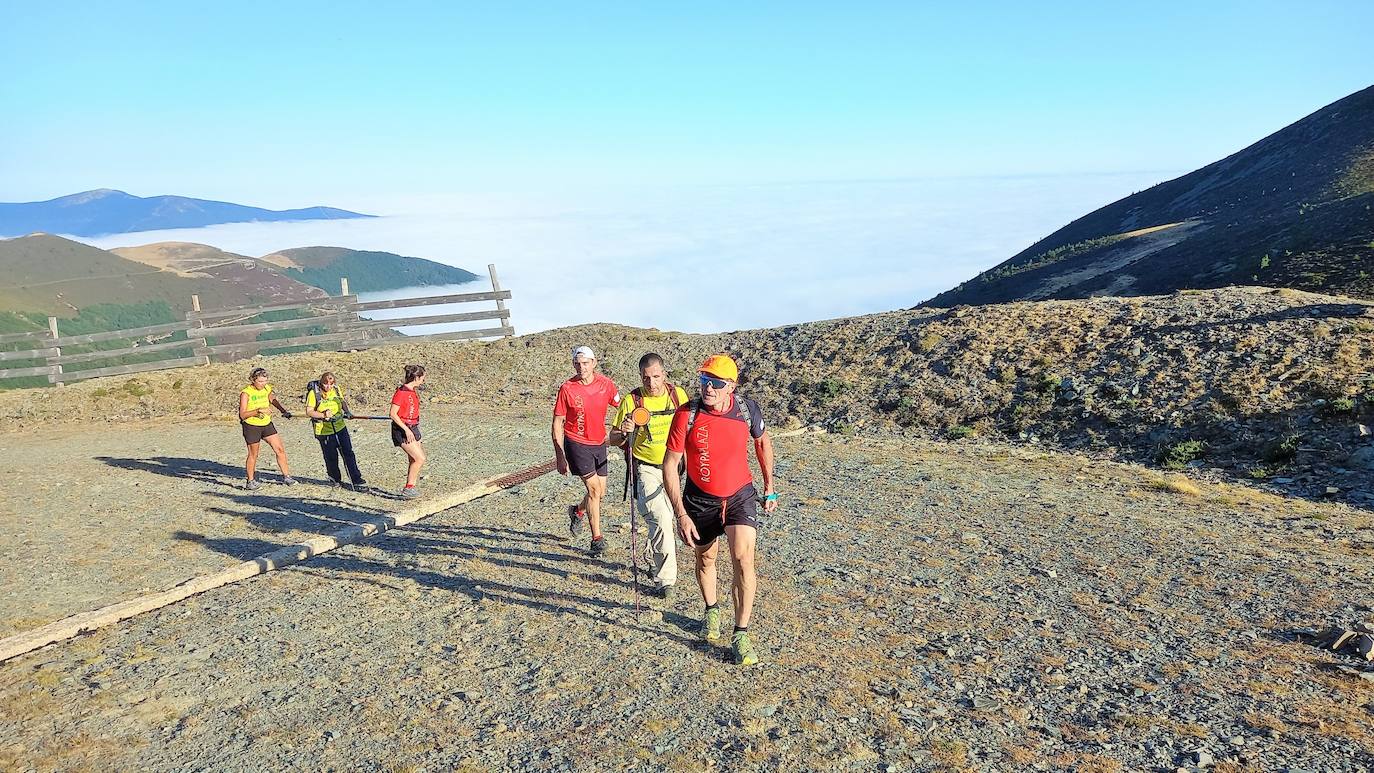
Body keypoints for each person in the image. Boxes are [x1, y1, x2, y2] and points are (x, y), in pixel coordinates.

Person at [663, 354, 777, 666]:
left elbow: (763, 443)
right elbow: (670, 465)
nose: (707, 388)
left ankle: (741, 633)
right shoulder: (687, 414)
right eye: (703, 381)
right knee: (706, 558)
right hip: (699, 500)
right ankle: (711, 610)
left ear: (731, 387)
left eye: (715, 383)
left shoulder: (746, 410)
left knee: (743, 559)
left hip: (740, 495)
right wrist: (680, 514)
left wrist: (769, 486)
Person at [608, 353, 690, 599]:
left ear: (664, 374)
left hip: (674, 468)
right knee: (662, 516)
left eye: (656, 377)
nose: (652, 384)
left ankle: (653, 557)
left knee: (663, 518)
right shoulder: (632, 400)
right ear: (640, 377)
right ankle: (666, 581)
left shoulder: (679, 396)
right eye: (646, 378)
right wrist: (624, 431)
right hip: (645, 468)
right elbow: (612, 438)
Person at [552, 345, 620, 554]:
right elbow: (557, 422)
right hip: (576, 443)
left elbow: (623, 405)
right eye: (577, 364)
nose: (581, 368)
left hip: (599, 443)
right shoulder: (567, 388)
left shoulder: (606, 385)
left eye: (585, 363)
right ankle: (597, 539)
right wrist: (560, 455)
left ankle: (577, 511)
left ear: (594, 363)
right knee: (594, 491)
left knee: (601, 493)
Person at [305, 371, 368, 492]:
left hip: (340, 427)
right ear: (321, 382)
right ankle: (335, 479)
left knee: (348, 453)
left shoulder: (336, 390)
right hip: (324, 431)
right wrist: (323, 415)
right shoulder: (314, 394)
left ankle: (356, 479)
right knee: (331, 457)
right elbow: (309, 411)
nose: (328, 387)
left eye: (331, 384)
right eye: (325, 384)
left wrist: (347, 412)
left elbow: (342, 401)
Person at [238, 366, 295, 490]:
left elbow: (272, 399)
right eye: (260, 381)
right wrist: (258, 411)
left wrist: (283, 410)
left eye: (265, 381)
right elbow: (242, 415)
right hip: (252, 426)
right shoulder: (246, 393)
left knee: (279, 449)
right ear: (253, 380)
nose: (263, 384)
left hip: (266, 424)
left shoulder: (266, 388)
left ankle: (287, 477)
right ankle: (250, 481)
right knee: (254, 454)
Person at [390, 364, 426, 499]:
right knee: (420, 458)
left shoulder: (412, 391)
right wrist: (406, 430)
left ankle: (411, 486)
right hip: (403, 429)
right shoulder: (401, 393)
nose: (423, 380)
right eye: (422, 377)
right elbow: (393, 414)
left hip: (413, 426)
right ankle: (408, 488)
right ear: (416, 377)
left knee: (414, 458)